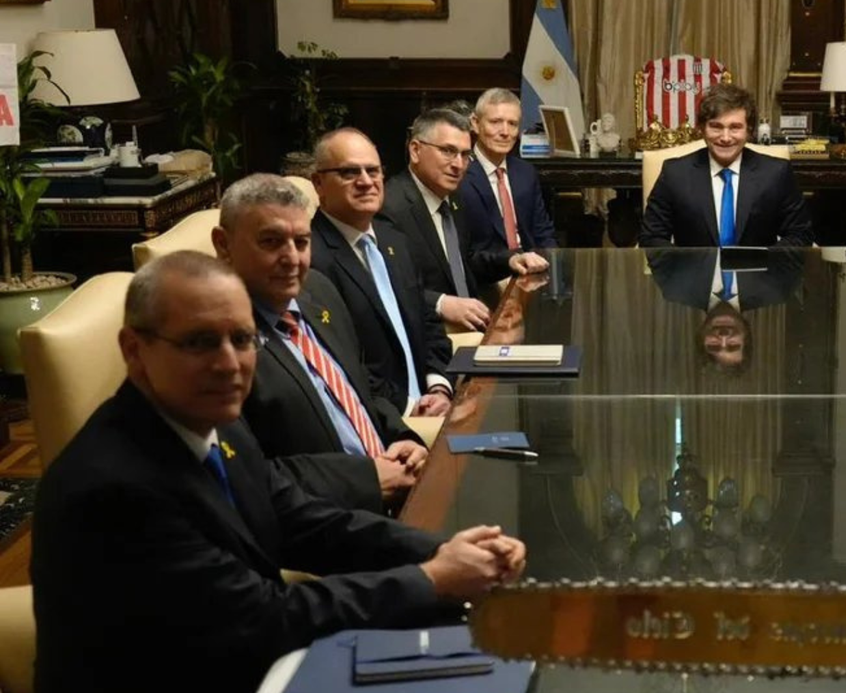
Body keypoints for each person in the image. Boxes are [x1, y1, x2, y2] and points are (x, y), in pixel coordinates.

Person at [31, 251, 525, 693]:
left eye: (242, 339)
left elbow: (300, 519)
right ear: (135, 351)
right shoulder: (113, 488)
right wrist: (432, 579)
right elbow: (261, 618)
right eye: (201, 342)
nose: (230, 364)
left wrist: (441, 548)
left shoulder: (212, 420)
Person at [213, 174, 427, 514]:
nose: (292, 259)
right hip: (329, 521)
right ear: (223, 245)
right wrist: (365, 481)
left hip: (399, 492)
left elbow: (362, 388)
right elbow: (245, 473)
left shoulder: (318, 290)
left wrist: (402, 437)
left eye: (301, 242)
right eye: (271, 242)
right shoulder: (215, 344)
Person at [309, 128, 455, 417]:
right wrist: (410, 406)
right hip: (381, 419)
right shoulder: (310, 259)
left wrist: (438, 385)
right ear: (318, 183)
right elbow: (340, 360)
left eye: (373, 171)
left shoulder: (394, 240)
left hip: (431, 402)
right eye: (350, 172)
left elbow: (427, 321)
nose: (366, 182)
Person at [381, 107, 549, 331]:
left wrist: (509, 260)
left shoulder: (454, 198)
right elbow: (386, 287)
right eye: (448, 151)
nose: (458, 165)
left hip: (474, 323)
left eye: (465, 155)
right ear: (415, 150)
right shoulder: (390, 206)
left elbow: (465, 262)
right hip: (428, 331)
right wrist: (441, 304)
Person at [640, 84, 814, 248]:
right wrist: (684, 270)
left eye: (735, 127)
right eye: (716, 127)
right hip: (694, 277)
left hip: (759, 276)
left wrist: (764, 265)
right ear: (702, 128)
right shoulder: (675, 173)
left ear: (749, 130)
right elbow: (651, 238)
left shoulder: (776, 173)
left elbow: (800, 234)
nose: (725, 137)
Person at [645, 247, 805, 372]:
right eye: (733, 346)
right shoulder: (775, 288)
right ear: (747, 336)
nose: (723, 337)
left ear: (700, 335)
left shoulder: (674, 287)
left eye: (713, 346)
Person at [459, 88, 560, 253]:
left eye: (512, 124)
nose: (505, 132)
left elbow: (543, 233)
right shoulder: (459, 172)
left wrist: (555, 267)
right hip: (486, 273)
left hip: (531, 268)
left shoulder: (526, 172)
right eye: (495, 122)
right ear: (475, 124)